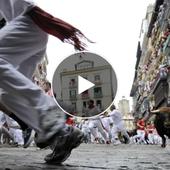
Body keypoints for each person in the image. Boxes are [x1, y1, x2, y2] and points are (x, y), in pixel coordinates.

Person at [0, 0, 90, 164]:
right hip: (29, 31)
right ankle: (61, 135)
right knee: (7, 95)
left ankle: (50, 109)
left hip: (27, 24)